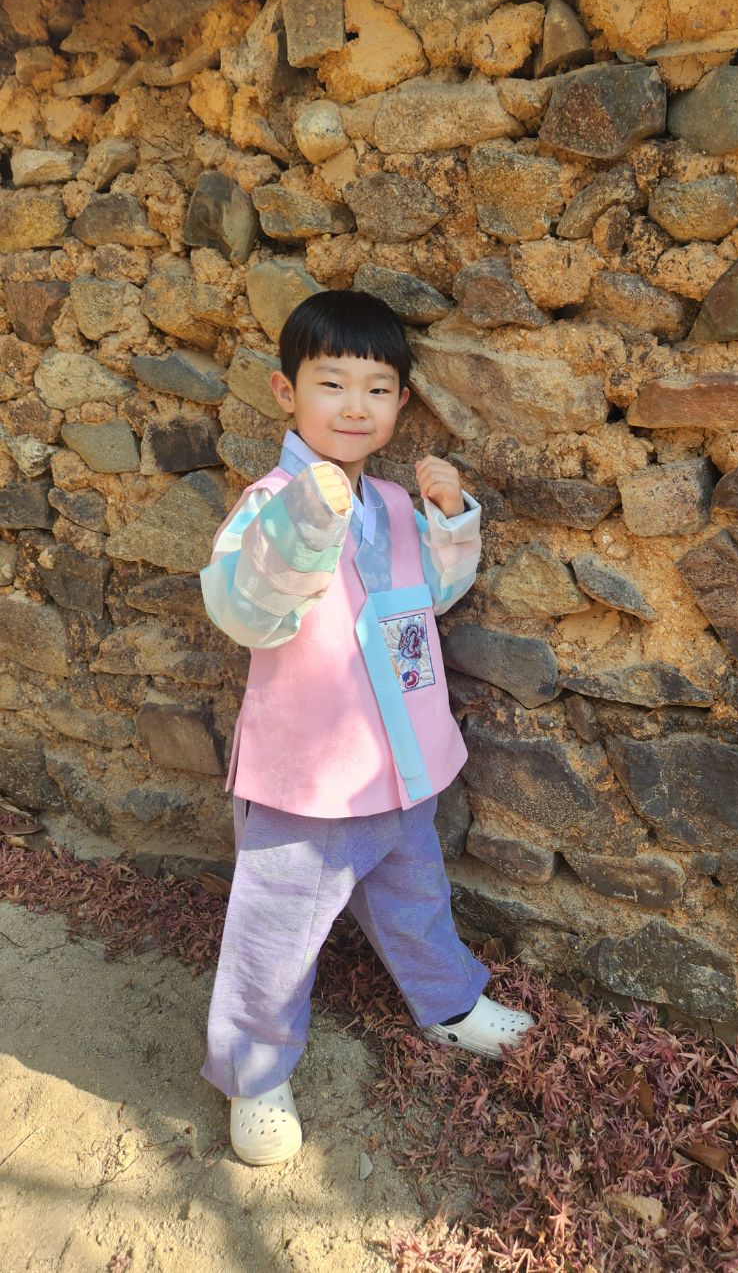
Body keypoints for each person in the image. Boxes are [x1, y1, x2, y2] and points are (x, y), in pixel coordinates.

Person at [198, 289, 535, 1166]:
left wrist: (449, 520)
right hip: (307, 781)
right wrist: (304, 526)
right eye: (332, 383)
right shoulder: (270, 500)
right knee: (275, 934)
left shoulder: (388, 502)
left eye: (377, 389)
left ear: (401, 402)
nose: (355, 406)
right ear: (286, 392)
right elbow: (245, 609)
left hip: (398, 762)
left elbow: (431, 597)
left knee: (416, 895)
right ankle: (255, 1073)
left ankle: (448, 1001)